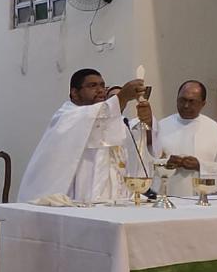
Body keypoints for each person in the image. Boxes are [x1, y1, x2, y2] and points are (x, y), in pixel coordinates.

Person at [18, 69, 146, 203]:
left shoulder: (113, 119)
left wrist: (147, 123)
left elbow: (134, 150)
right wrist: (122, 97)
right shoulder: (67, 116)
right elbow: (96, 116)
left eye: (102, 85)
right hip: (78, 196)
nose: (100, 90)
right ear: (74, 93)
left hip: (114, 198)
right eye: (93, 86)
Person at [152, 80, 217, 193]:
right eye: (182, 100)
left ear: (203, 103)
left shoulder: (214, 130)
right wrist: (166, 163)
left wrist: (200, 166)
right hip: (167, 196)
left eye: (192, 101)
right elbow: (146, 163)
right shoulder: (161, 126)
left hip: (200, 200)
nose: (186, 105)